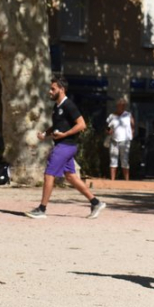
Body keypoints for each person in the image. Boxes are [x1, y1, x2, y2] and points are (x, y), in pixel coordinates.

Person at [25, 75, 106, 219]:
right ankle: (96, 202)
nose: (50, 91)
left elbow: (82, 125)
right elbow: (57, 126)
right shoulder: (57, 106)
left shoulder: (69, 105)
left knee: (49, 173)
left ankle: (42, 209)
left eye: (53, 89)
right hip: (65, 145)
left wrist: (64, 135)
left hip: (65, 145)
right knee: (71, 177)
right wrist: (45, 133)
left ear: (61, 89)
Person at [106, 98, 135, 181]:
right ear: (117, 106)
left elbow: (133, 126)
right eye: (120, 105)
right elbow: (107, 127)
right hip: (114, 140)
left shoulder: (128, 115)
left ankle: (126, 180)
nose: (122, 107)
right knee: (113, 160)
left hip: (125, 141)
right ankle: (112, 180)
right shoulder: (111, 116)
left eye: (123, 106)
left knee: (125, 160)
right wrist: (109, 131)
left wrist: (131, 135)